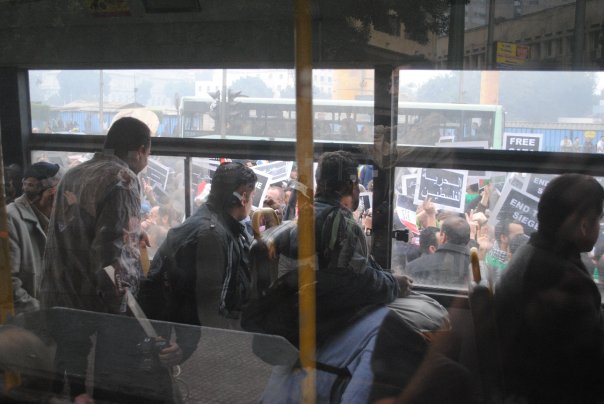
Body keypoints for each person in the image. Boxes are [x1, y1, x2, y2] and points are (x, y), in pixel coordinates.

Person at [39, 117, 181, 403]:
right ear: (140, 150)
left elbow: (79, 227)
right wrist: (125, 311)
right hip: (98, 299)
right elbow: (113, 254)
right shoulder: (124, 179)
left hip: (61, 289)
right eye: (149, 153)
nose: (147, 159)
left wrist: (134, 230)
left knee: (69, 372)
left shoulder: (74, 173)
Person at [242, 150, 400, 345]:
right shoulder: (343, 225)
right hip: (317, 333)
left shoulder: (294, 222)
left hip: (280, 327)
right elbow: (360, 282)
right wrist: (394, 284)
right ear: (351, 186)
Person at [495, 174, 604, 404]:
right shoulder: (565, 280)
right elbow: (594, 363)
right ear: (584, 226)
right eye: (598, 220)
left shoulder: (530, 253)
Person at [145, 162, 257, 330]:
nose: (251, 203)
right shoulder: (212, 235)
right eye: (252, 196)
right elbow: (208, 311)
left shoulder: (213, 223)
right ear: (243, 196)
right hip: (197, 337)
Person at [7, 162, 61, 315]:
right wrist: (41, 313)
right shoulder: (9, 219)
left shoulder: (49, 218)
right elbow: (8, 284)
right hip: (26, 320)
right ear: (51, 193)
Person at [405, 216, 471, 288]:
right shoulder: (477, 269)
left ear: (443, 236)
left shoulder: (414, 267)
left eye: (440, 234)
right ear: (468, 239)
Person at [484, 219, 524, 283]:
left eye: (523, 235)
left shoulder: (520, 257)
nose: (523, 238)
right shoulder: (489, 261)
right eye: (518, 235)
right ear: (504, 238)